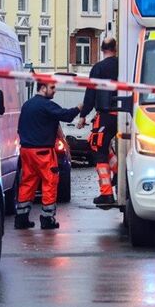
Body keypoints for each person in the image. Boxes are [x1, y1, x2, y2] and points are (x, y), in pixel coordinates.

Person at [15, 82, 82, 230]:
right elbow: (66, 116)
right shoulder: (47, 105)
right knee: (50, 182)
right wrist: (78, 108)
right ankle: (47, 218)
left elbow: (20, 128)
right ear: (43, 88)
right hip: (43, 152)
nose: (55, 91)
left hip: (26, 151)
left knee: (27, 182)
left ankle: (21, 218)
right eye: (52, 88)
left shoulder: (27, 105)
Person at [77, 38, 119, 207]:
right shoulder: (123, 65)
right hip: (124, 114)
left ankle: (106, 193)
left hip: (106, 114)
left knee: (99, 149)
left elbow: (91, 93)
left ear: (102, 49)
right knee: (106, 148)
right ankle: (119, 173)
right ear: (115, 48)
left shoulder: (99, 68)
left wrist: (83, 115)